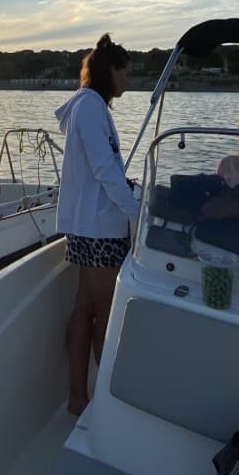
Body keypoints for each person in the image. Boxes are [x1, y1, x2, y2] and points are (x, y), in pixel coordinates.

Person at [54, 34, 139, 416]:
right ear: (109, 71)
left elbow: (101, 168)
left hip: (89, 224)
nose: (128, 80)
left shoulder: (88, 106)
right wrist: (135, 210)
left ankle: (78, 398)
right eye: (125, 72)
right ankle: (104, 404)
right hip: (100, 227)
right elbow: (104, 169)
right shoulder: (90, 108)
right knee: (104, 312)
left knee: (86, 307)